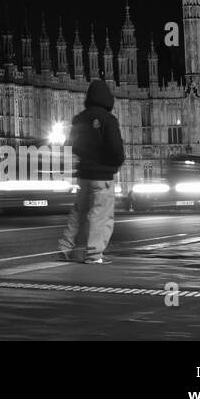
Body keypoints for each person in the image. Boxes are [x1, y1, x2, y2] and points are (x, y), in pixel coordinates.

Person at [58, 79, 125, 264]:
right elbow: (115, 147)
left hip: (84, 175)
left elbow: (72, 145)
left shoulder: (79, 119)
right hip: (102, 176)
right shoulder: (108, 119)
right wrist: (115, 163)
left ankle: (65, 247)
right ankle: (94, 255)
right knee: (101, 215)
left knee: (78, 213)